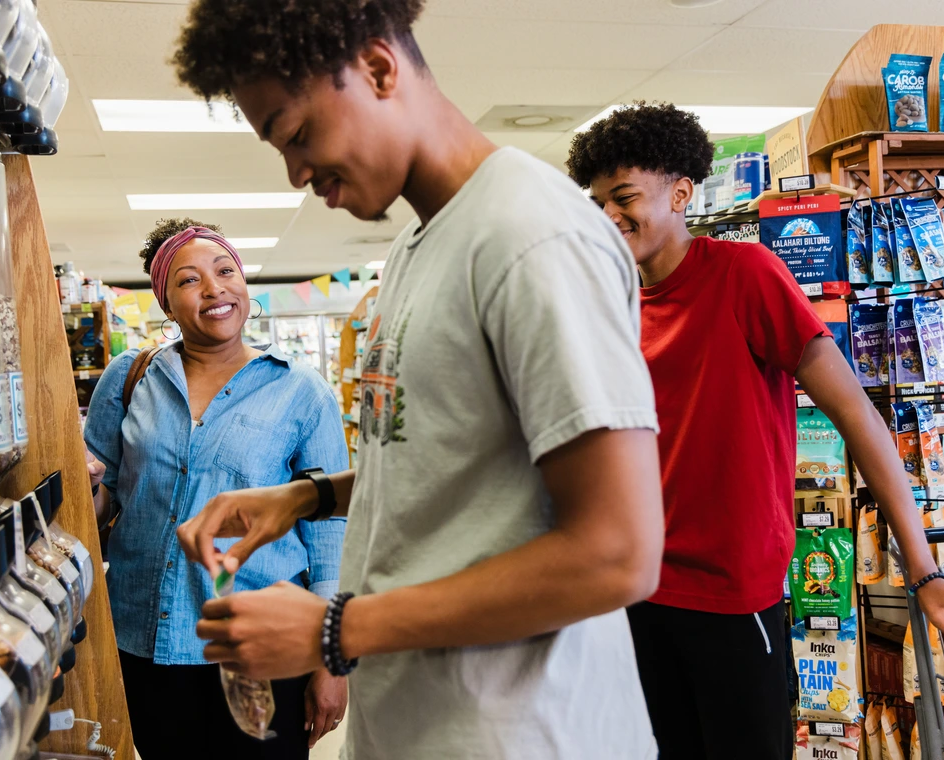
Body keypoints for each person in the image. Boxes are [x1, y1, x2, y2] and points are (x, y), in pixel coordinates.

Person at [171, 2, 663, 758]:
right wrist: (306, 496)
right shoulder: (418, 245)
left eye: (298, 134)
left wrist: (333, 629)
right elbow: (456, 466)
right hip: (425, 722)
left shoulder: (531, 235)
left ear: (377, 68)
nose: (297, 172)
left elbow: (618, 551)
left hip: (525, 731)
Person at [564, 102, 944, 759]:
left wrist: (922, 570)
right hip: (635, 594)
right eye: (596, 202)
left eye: (623, 197)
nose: (607, 217)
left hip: (733, 603)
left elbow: (857, 414)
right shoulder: (607, 299)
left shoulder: (746, 277)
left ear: (682, 193)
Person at [84, 218, 349, 759]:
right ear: (165, 303)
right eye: (188, 280)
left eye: (225, 270)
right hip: (144, 642)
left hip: (263, 641)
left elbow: (329, 530)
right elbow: (104, 497)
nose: (214, 289)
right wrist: (86, 487)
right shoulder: (129, 377)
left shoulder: (301, 390)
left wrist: (331, 659)